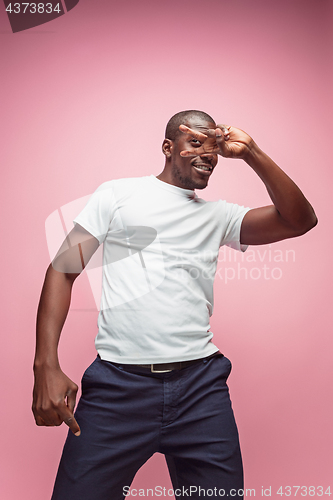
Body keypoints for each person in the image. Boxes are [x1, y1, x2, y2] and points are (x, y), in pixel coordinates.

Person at [32, 110, 317, 500]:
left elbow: (300, 220)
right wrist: (45, 364)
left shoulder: (220, 216)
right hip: (118, 388)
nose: (207, 154)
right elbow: (63, 270)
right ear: (168, 148)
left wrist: (251, 152)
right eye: (194, 143)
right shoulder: (117, 195)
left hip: (201, 390)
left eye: (213, 147)